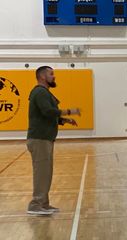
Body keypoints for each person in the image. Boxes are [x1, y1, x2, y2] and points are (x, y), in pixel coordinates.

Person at [27, 66, 80, 215]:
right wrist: (70, 111)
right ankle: (35, 205)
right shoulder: (39, 92)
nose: (54, 76)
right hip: (39, 139)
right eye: (51, 74)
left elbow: (49, 115)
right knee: (41, 173)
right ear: (42, 77)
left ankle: (43, 203)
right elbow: (48, 111)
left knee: (46, 173)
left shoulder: (44, 93)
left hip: (45, 139)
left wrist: (64, 120)